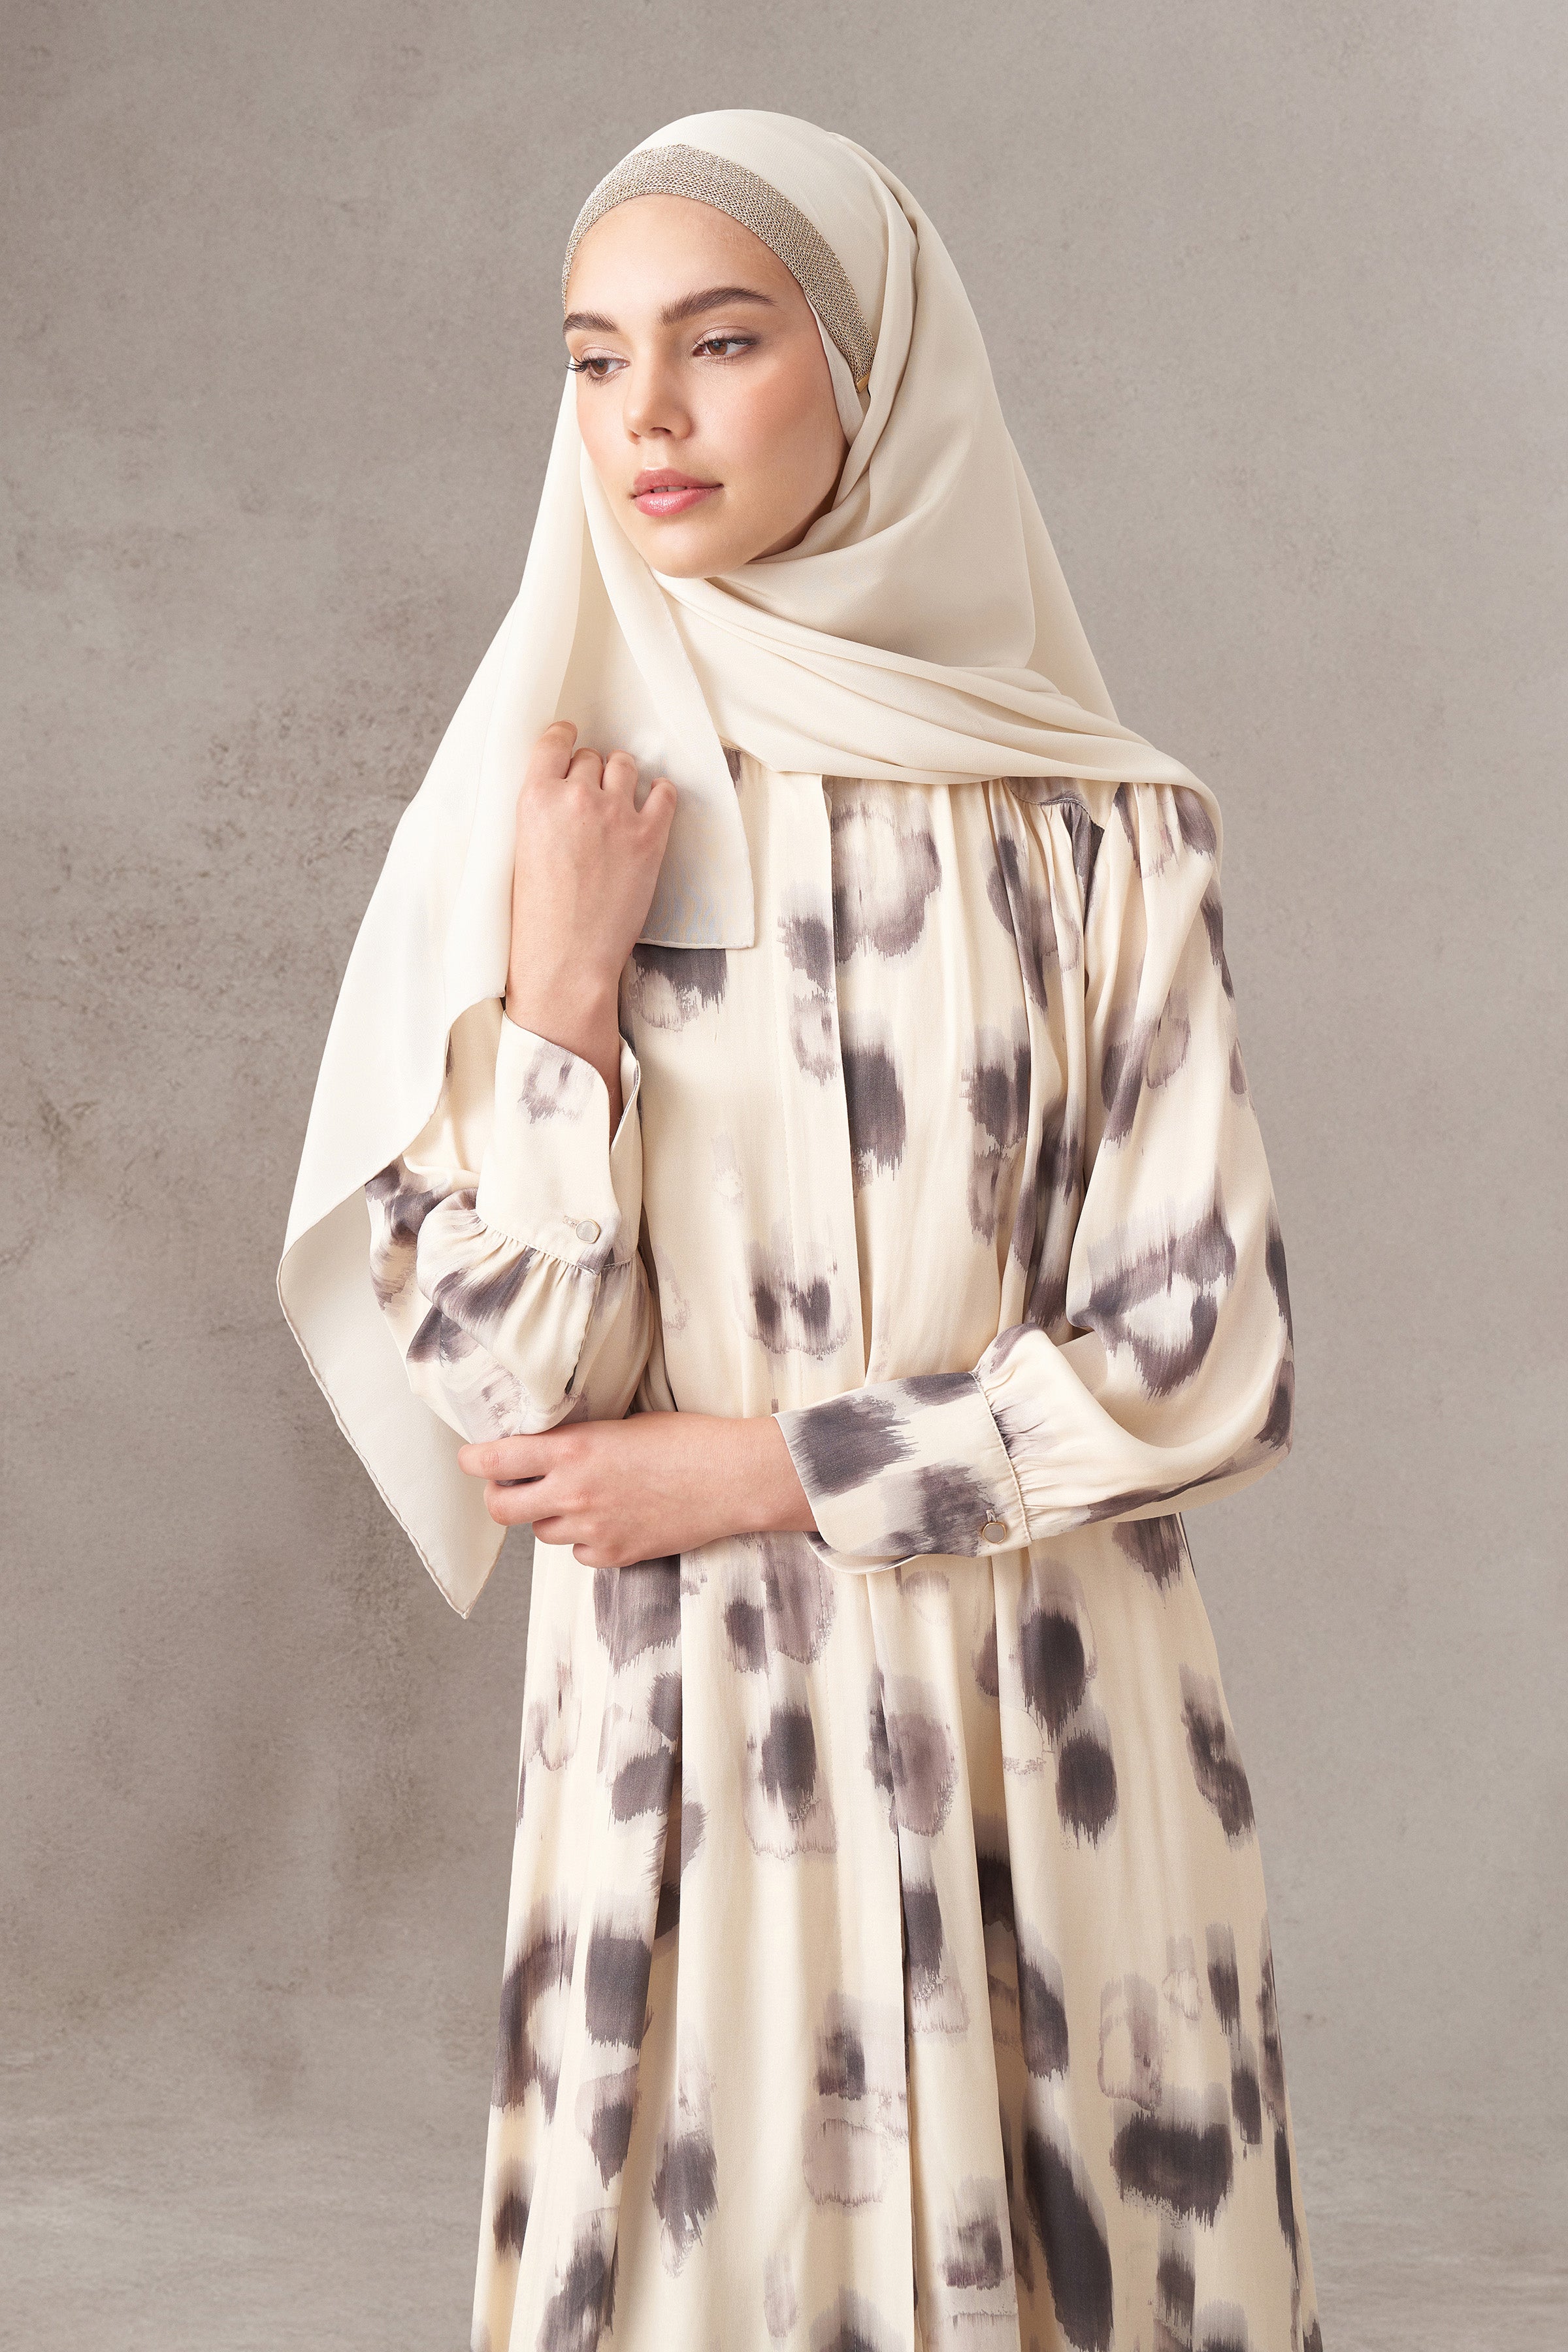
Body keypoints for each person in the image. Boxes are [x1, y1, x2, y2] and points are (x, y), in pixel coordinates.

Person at [278, 109, 1324, 2352]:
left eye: (723, 341)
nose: (645, 414)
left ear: (872, 366)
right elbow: (510, 1393)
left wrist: (765, 1467)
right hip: (693, 1771)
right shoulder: (544, 805)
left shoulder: (1105, 832)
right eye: (594, 357)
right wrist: (562, 991)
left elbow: (1203, 1350)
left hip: (1051, 1747)